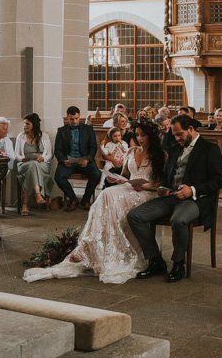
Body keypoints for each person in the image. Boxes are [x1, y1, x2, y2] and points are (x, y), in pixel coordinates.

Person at [24, 121, 166, 284]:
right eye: (138, 135)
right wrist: (117, 179)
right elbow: (125, 175)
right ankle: (92, 245)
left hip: (147, 193)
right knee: (107, 193)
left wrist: (144, 185)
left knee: (109, 196)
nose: (140, 138)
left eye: (144, 135)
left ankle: (91, 245)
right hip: (129, 188)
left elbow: (160, 184)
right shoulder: (132, 151)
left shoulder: (160, 155)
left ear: (151, 136)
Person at [128, 115, 222, 283]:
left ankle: (178, 263)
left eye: (180, 134)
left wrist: (192, 189)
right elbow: (167, 176)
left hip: (195, 200)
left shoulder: (210, 149)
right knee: (135, 216)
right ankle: (156, 260)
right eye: (174, 135)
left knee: (178, 220)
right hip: (170, 197)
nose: (177, 138)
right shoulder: (175, 148)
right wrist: (162, 188)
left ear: (191, 129)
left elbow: (218, 180)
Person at [54, 105, 101, 212]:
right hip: (68, 162)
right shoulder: (61, 131)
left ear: (80, 117)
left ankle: (86, 199)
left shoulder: (88, 129)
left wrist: (88, 159)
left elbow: (93, 147)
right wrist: (63, 160)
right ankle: (73, 199)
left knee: (96, 174)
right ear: (67, 118)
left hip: (84, 161)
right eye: (71, 119)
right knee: (58, 177)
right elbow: (57, 149)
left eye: (76, 118)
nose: (74, 121)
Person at [14, 113, 53, 215]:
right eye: (24, 124)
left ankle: (25, 204)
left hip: (42, 164)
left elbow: (49, 154)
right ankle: (38, 194)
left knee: (34, 165)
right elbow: (16, 155)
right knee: (32, 165)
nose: (24, 126)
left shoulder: (44, 136)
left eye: (27, 124)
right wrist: (22, 158)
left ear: (34, 125)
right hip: (25, 164)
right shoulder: (20, 136)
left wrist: (43, 158)